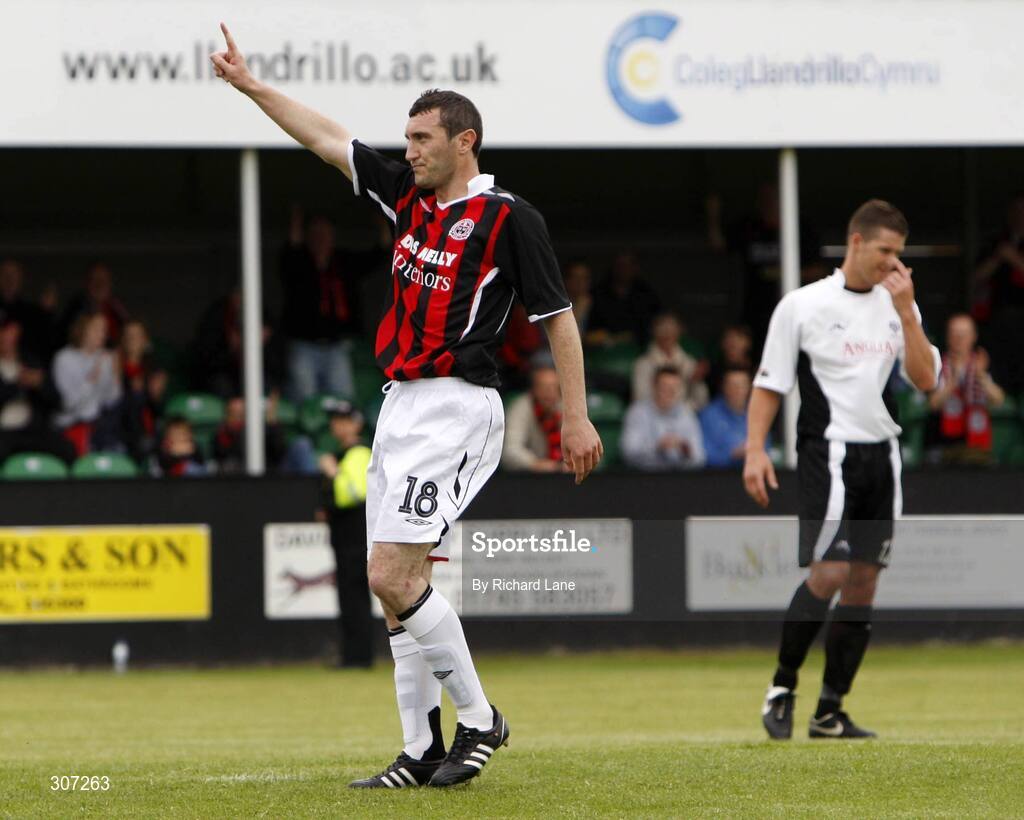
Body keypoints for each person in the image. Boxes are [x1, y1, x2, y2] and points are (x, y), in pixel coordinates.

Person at [213, 24, 602, 789]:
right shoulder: (405, 197)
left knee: (392, 573)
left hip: (458, 406)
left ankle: (481, 720)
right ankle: (420, 748)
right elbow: (326, 138)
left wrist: (577, 415)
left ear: (465, 141)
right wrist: (251, 86)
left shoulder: (509, 218)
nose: (410, 149)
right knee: (394, 585)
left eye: (423, 138)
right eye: (407, 138)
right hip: (399, 405)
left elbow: (558, 319)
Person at [743, 200, 940, 741]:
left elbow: (926, 380)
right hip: (827, 452)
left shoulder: (899, 306)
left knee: (863, 584)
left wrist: (907, 313)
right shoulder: (803, 305)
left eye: (899, 253)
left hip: (883, 456)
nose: (893, 263)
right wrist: (755, 449)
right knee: (829, 572)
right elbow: (769, 383)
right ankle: (782, 687)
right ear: (856, 242)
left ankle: (830, 711)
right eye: (885, 251)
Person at [280, 208, 389, 402]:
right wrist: (295, 223)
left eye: (325, 233)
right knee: (305, 400)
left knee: (343, 401)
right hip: (304, 344)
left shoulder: (343, 262)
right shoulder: (298, 262)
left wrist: (384, 223)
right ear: (308, 237)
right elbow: (290, 252)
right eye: (316, 233)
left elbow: (379, 255)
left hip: (337, 345)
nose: (321, 238)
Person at [317, 399, 374, 668]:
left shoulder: (358, 452)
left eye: (344, 420)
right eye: (335, 420)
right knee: (348, 595)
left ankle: (358, 656)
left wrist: (333, 472)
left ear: (356, 424)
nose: (337, 425)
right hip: (345, 535)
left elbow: (353, 493)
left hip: (355, 535)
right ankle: (352, 654)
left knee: (354, 595)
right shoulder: (343, 453)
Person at [925, 313, 1005, 465]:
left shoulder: (983, 363)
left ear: (974, 336)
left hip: (976, 447)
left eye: (963, 334)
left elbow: (998, 400)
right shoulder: (937, 364)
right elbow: (933, 404)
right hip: (942, 446)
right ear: (948, 336)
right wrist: (953, 381)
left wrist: (981, 376)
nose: (959, 339)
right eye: (954, 334)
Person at [0, 316, 76, 466]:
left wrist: (40, 384)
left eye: (9, 331)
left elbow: (57, 401)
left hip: (32, 429)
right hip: (4, 431)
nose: (5, 336)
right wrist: (18, 384)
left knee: (67, 449)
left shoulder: (30, 361)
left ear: (16, 332)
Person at [52, 312, 123, 455]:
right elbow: (70, 404)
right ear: (83, 329)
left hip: (98, 424)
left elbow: (111, 400)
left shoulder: (105, 358)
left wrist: (116, 376)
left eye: (104, 330)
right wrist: (91, 380)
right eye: (97, 329)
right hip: (71, 422)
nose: (102, 335)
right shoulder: (64, 358)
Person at [622, 366, 705, 470]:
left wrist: (687, 451)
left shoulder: (687, 414)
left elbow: (700, 458)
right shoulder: (637, 412)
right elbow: (628, 452)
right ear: (654, 386)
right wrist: (657, 447)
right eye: (664, 387)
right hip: (645, 475)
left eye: (674, 388)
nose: (669, 392)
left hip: (679, 474)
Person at [501, 361, 569, 473]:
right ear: (534, 389)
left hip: (563, 475)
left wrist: (572, 463)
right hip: (527, 477)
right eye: (545, 387)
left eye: (554, 388)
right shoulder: (520, 408)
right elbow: (510, 450)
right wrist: (535, 464)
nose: (550, 393)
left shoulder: (566, 408)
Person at [631, 312, 709, 408]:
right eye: (662, 329)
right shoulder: (643, 364)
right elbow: (640, 399)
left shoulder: (688, 362)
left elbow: (701, 402)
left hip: (682, 412)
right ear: (654, 332)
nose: (667, 333)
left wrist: (696, 381)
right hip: (652, 414)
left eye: (672, 328)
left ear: (679, 332)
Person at [585, 251, 660, 348]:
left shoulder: (645, 292)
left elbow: (658, 321)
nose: (625, 270)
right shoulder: (599, 293)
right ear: (614, 267)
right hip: (604, 349)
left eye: (629, 265)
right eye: (621, 265)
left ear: (636, 268)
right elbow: (589, 333)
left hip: (639, 347)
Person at [118, 319, 168, 463]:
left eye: (137, 336)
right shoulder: (114, 366)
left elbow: (158, 410)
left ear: (145, 340)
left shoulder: (153, 368)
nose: (132, 340)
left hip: (147, 429)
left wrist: (155, 395)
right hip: (121, 428)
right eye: (129, 335)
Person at [700, 368, 759, 468]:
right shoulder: (709, 415)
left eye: (742, 386)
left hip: (751, 471)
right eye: (733, 386)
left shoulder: (756, 414)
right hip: (717, 475)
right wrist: (732, 454)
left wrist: (753, 451)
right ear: (724, 388)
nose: (738, 390)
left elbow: (767, 450)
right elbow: (704, 455)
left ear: (749, 388)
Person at [59, 262, 129, 347]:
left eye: (104, 280)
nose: (99, 284)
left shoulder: (117, 308)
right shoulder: (75, 307)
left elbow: (128, 333)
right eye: (95, 279)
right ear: (87, 283)